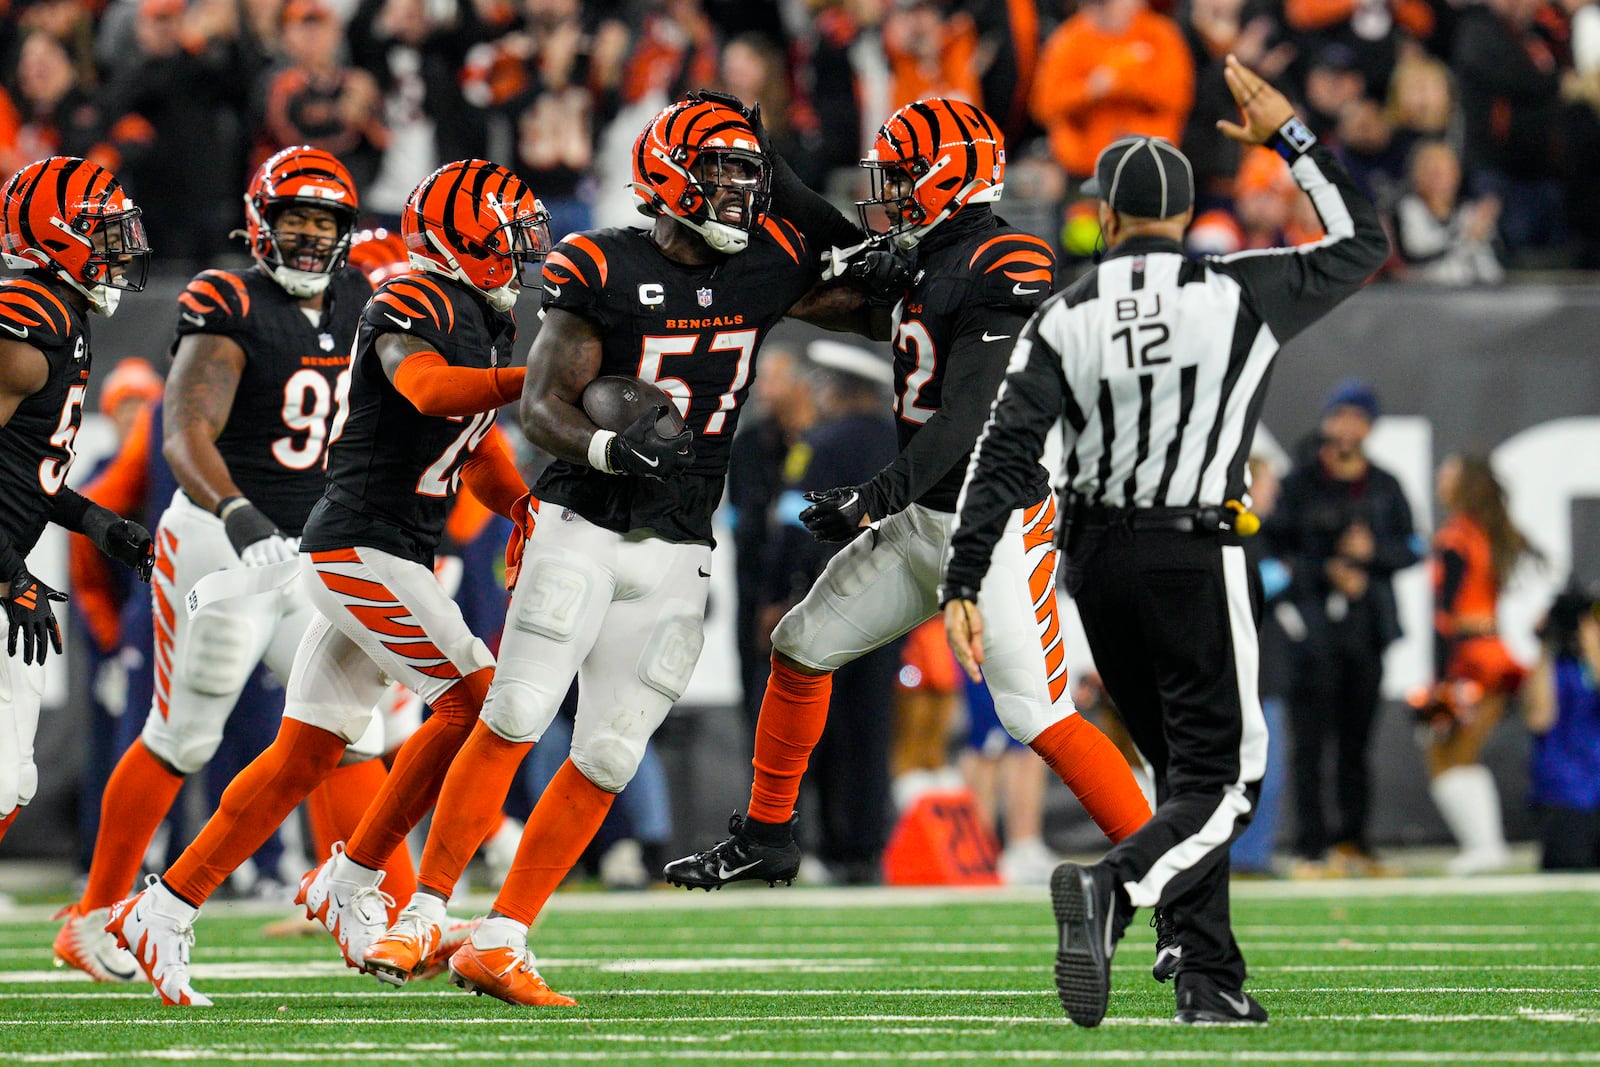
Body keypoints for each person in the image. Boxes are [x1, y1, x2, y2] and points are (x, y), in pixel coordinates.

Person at [358, 92, 875, 1005]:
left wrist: (792, 179)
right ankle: (425, 910)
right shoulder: (598, 261)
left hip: (680, 545)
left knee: (607, 754)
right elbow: (544, 403)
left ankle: (504, 936)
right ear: (667, 176)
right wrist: (607, 444)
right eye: (719, 171)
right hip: (582, 525)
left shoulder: (769, 260)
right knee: (514, 712)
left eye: (747, 172)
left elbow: (872, 297)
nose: (736, 190)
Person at [940, 57, 1389, 1028]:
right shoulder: (1237, 287)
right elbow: (1364, 241)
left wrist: (963, 573)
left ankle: (1205, 972)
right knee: (1226, 780)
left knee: (1180, 775)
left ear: (1102, 214)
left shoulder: (1064, 311)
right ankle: (1116, 889)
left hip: (1095, 562)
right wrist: (1288, 138)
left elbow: (1006, 449)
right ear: (1187, 216)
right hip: (1192, 551)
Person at [664, 97, 1152, 898]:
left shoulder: (1008, 259)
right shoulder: (934, 254)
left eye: (901, 177)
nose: (886, 193)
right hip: (925, 516)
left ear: (950, 179)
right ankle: (767, 835)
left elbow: (970, 416)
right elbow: (829, 227)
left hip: (992, 524)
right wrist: (769, 157)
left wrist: (871, 498)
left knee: (1037, 714)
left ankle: (1173, 878)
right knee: (800, 645)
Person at [107, 158, 550, 1007]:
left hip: (388, 547)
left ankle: (165, 904)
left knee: (306, 753)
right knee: (475, 697)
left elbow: (478, 445)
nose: (523, 251)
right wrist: (541, 381)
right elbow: (428, 390)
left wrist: (521, 507)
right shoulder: (410, 299)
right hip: (358, 547)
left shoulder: (481, 317)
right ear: (466, 236)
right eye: (510, 233)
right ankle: (352, 876)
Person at [52, 146, 420, 981]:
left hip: (314, 545)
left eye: (322, 223)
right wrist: (238, 512)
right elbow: (184, 430)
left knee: (350, 729)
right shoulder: (228, 300)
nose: (306, 236)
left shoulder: (367, 297)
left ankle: (384, 916)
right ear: (259, 222)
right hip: (223, 543)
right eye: (292, 219)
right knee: (183, 734)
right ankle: (92, 917)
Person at [0, 156, 156, 847]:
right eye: (104, 233)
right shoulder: (26, 322)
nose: (121, 249)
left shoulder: (61, 314)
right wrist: (10, 571)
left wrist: (93, 519)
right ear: (58, 237)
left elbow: (25, 467)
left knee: (10, 778)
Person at [1269, 379, 1420, 877]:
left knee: (1356, 741)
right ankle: (1311, 845)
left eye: (1358, 418)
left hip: (1366, 628)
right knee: (1310, 742)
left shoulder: (1385, 484)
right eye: (1341, 416)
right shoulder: (1299, 483)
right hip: (1311, 631)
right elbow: (1274, 553)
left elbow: (1414, 546)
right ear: (1327, 421)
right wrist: (1325, 570)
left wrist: (1371, 557)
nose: (1348, 427)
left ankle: (1353, 840)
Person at [1425, 455, 1536, 874]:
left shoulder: (1458, 537)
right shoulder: (1485, 533)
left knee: (1452, 752)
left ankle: (1486, 846)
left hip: (1472, 658)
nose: (1440, 478)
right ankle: (1485, 845)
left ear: (1466, 484)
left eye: (1448, 473)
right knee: (1452, 752)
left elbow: (1445, 614)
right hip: (1487, 653)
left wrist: (1440, 677)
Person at [1524, 583, 1600, 869]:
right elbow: (1540, 718)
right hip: (1565, 795)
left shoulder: (1592, 666)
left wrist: (1592, 643)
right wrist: (1544, 645)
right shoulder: (1550, 669)